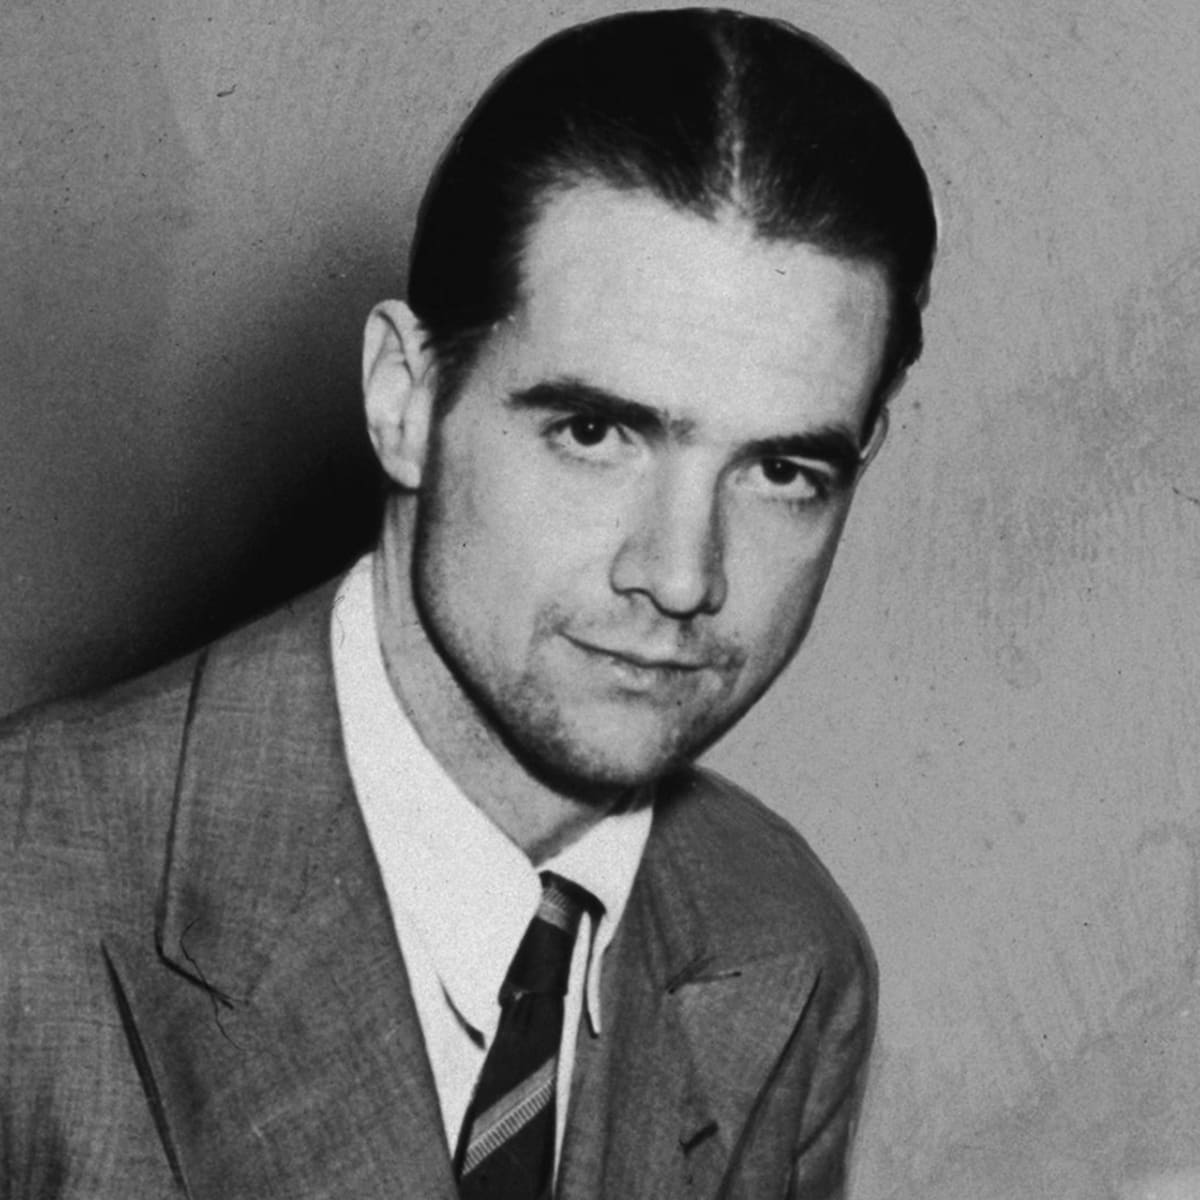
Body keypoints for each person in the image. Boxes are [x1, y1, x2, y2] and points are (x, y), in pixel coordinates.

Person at [0, 8, 936, 1199]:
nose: (682, 574)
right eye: (594, 432)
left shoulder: (787, 952)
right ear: (405, 398)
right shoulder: (25, 891)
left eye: (783, 471)